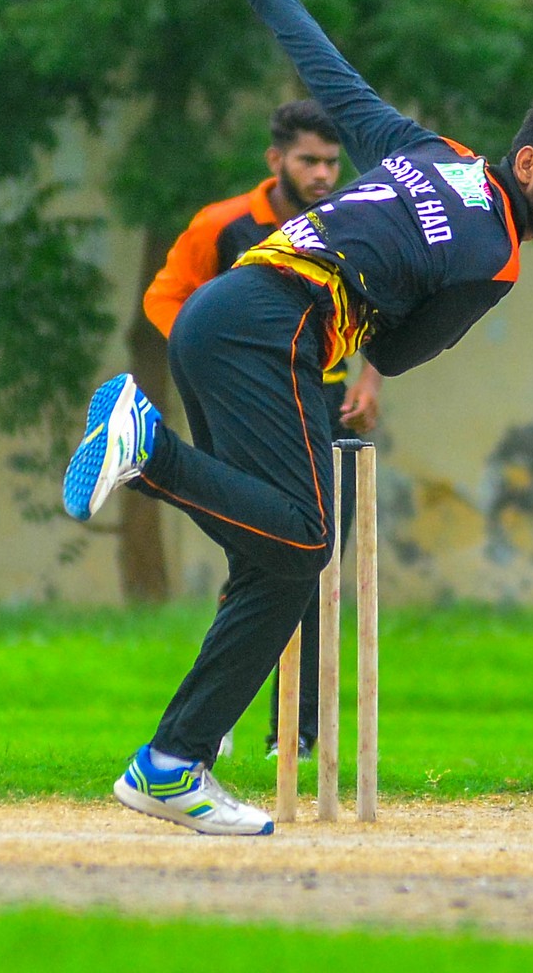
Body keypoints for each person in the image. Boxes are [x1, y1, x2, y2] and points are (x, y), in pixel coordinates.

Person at [62, 0, 533, 837]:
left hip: (219, 312)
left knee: (274, 563)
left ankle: (169, 765)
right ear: (529, 160)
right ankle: (147, 449)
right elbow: (395, 354)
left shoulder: (434, 154)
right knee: (304, 541)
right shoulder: (495, 259)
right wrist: (394, 305)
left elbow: (333, 78)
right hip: (276, 328)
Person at [143, 98, 382, 761]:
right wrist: (219, 363)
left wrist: (371, 380)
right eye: (308, 160)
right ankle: (215, 715)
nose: (322, 174)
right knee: (259, 557)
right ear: (276, 159)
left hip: (323, 399)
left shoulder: (348, 222)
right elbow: (165, 296)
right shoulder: (223, 224)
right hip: (245, 402)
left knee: (314, 561)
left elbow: (379, 309)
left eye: (332, 162)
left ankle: (295, 733)